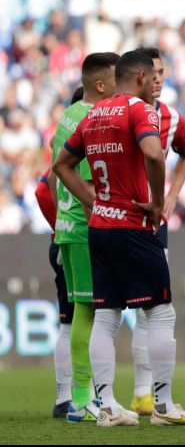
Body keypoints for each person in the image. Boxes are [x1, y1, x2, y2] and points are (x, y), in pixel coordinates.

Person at [53, 50, 185, 427]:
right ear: (140, 77)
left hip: (99, 228)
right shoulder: (140, 110)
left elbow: (61, 165)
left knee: (106, 315)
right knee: (161, 312)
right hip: (134, 226)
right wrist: (157, 203)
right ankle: (164, 406)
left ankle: (106, 407)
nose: (157, 81)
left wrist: (94, 201)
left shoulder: (93, 113)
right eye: (153, 75)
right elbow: (154, 154)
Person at [48, 52, 119, 423]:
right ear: (101, 84)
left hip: (67, 227)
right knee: (91, 312)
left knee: (81, 311)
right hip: (85, 227)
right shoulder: (92, 120)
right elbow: (89, 187)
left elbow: (52, 176)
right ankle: (83, 400)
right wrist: (103, 230)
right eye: (118, 79)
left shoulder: (69, 115)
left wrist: (62, 222)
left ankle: (81, 398)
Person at [126, 47, 185, 417]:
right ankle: (90, 396)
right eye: (152, 71)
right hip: (118, 217)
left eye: (162, 72)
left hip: (153, 223)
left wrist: (170, 196)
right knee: (105, 311)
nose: (157, 78)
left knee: (149, 310)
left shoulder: (171, 116)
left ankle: (143, 393)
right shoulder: (120, 111)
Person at [35, 169, 75, 418]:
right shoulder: (76, 154)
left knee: (73, 323)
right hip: (75, 244)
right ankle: (80, 397)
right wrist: (62, 229)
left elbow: (43, 189)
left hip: (66, 241)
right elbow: (42, 191)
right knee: (88, 321)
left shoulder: (65, 154)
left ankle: (66, 398)